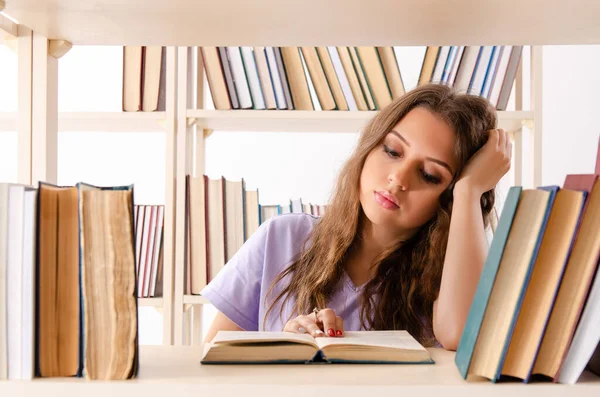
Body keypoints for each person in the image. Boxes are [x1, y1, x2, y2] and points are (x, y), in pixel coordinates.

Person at [200, 83, 512, 350]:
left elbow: (461, 336)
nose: (398, 179)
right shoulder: (282, 238)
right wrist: (286, 351)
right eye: (392, 151)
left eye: (430, 175)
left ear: (448, 197)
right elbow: (211, 369)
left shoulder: (453, 275)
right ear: (369, 146)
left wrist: (470, 191)